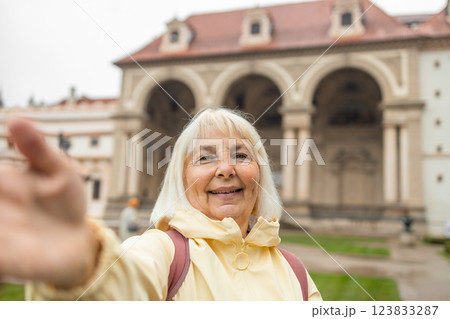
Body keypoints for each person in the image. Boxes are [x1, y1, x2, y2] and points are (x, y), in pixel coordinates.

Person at [0, 107, 321, 300]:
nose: (226, 169)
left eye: (240, 155)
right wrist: (83, 267)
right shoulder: (163, 253)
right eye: (205, 157)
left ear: (260, 175)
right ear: (181, 180)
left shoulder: (295, 271)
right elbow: (122, 287)